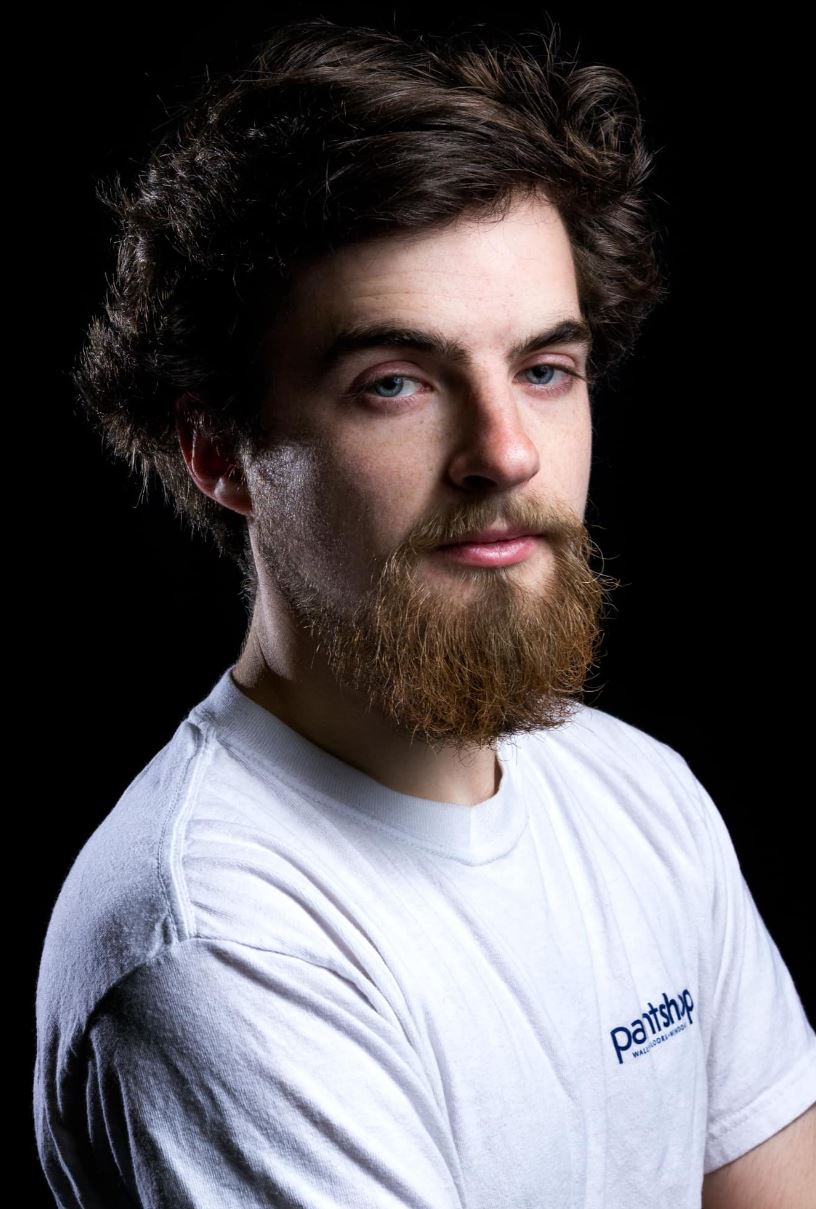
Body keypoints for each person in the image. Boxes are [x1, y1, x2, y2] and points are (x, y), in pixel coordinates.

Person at [33, 16, 815, 1209]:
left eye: (546, 370)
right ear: (220, 453)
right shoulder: (220, 944)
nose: (505, 450)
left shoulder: (640, 797)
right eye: (395, 383)